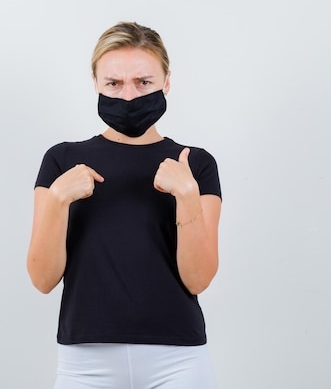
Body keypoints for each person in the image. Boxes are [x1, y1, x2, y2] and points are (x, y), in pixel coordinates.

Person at [26, 21, 223, 389]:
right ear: (95, 83)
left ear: (166, 82)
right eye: (113, 83)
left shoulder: (194, 164)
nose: (129, 97)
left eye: (143, 82)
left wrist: (187, 195)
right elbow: (42, 279)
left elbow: (198, 278)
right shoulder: (61, 160)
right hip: (85, 363)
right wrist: (56, 200)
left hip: (178, 359)